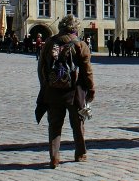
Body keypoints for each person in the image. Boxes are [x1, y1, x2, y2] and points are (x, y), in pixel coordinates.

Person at [36, 15, 95, 169]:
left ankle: (54, 158)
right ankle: (80, 153)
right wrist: (91, 89)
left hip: (53, 91)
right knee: (78, 123)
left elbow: (41, 67)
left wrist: (45, 85)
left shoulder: (49, 43)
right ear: (75, 28)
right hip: (74, 92)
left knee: (54, 125)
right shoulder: (80, 45)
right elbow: (87, 71)